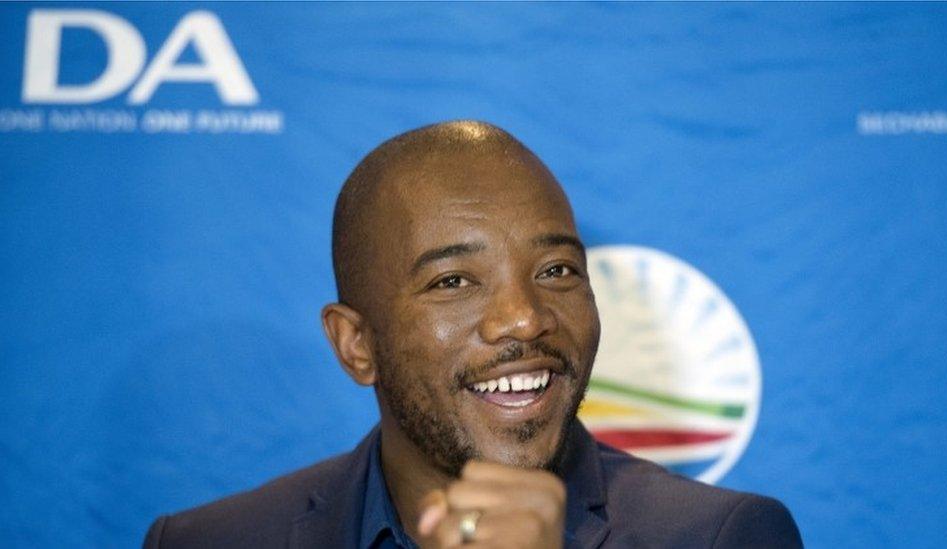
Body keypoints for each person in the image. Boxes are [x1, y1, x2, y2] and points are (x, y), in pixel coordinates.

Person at [143, 121, 803, 548]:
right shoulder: (212, 540)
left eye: (556, 269)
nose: (524, 317)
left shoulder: (721, 536)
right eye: (453, 282)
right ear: (356, 345)